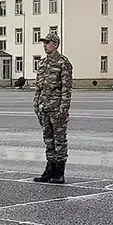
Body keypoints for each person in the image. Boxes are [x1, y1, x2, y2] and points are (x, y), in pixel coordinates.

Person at [33, 32, 73, 183]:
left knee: (59, 140)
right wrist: (36, 104)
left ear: (55, 45)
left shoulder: (63, 63)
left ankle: (59, 171)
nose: (44, 45)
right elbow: (39, 87)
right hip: (44, 107)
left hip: (57, 108)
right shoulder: (43, 63)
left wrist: (63, 109)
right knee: (48, 140)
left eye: (47, 42)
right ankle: (49, 168)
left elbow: (66, 89)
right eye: (44, 42)